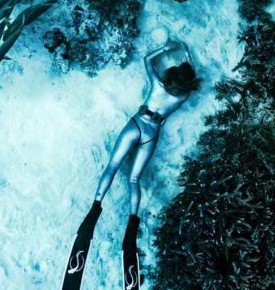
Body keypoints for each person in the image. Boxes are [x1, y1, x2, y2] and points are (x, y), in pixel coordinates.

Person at [60, 39, 202, 290]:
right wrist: (188, 55)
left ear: (172, 74)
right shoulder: (182, 97)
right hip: (152, 134)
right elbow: (192, 77)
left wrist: (168, 50)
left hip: (138, 122)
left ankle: (96, 206)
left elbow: (148, 60)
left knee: (113, 166)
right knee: (134, 179)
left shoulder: (158, 84)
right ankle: (132, 222)